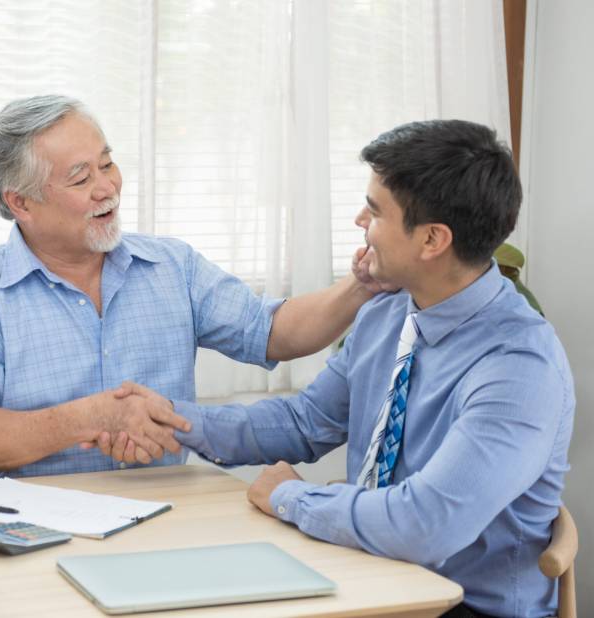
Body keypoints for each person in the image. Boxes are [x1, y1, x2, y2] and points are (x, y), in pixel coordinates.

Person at [99, 120, 574, 617]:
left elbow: (426, 524)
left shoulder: (519, 367)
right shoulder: (389, 313)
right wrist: (174, 419)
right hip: (369, 577)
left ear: (432, 240)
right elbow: (305, 422)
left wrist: (291, 497)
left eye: (374, 211)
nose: (358, 222)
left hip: (463, 606)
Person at [0, 94, 379, 480]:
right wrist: (91, 418)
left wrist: (360, 287)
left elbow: (272, 331)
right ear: (20, 202)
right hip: (31, 528)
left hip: (162, 512)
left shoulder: (170, 266)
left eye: (108, 163)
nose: (107, 187)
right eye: (81, 178)